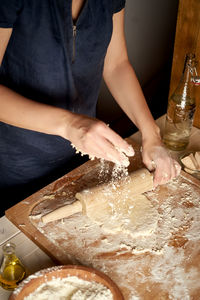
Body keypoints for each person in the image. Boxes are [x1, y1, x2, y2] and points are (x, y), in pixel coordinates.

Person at [0, 0, 180, 213]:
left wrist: (151, 135)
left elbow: (116, 65)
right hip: (15, 164)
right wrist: (70, 125)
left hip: (81, 157)